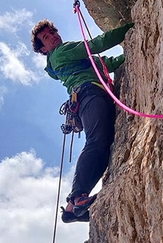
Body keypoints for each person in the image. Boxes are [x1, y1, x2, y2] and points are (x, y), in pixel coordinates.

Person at [31, 18, 133, 223]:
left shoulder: (73, 62)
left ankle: (71, 208)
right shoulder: (61, 52)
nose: (52, 36)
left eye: (52, 32)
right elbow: (96, 45)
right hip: (89, 93)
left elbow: (106, 64)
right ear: (43, 50)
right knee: (96, 143)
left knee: (103, 147)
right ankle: (77, 197)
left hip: (88, 94)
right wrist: (132, 25)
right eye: (46, 37)